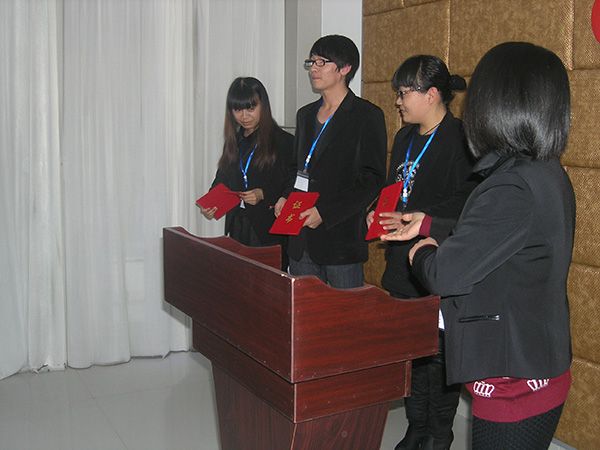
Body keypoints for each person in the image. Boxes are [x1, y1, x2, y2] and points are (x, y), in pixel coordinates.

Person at [385, 42, 575, 449]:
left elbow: (444, 273)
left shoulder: (511, 184)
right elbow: (499, 233)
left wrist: (421, 250)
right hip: (537, 360)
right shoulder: (542, 170)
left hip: (514, 380)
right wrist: (430, 222)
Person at [367, 55, 475, 450]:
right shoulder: (404, 137)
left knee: (440, 357)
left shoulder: (462, 139)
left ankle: (439, 433)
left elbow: (467, 203)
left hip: (438, 262)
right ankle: (416, 427)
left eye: (403, 93)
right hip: (401, 265)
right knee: (411, 354)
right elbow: (395, 190)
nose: (398, 101)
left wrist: (419, 217)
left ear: (431, 94)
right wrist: (377, 212)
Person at [274, 34, 387, 288]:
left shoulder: (366, 115)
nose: (313, 69)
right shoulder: (305, 115)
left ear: (345, 68)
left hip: (340, 242)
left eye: (321, 62)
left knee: (343, 313)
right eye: (311, 62)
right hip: (300, 238)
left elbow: (372, 180)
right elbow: (296, 168)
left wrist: (325, 213)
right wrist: (285, 196)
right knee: (306, 312)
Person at [200, 77, 293, 269]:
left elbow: (291, 183)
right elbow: (223, 176)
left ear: (263, 106)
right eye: (238, 110)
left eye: (251, 108)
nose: (244, 116)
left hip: (268, 229)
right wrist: (211, 202)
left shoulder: (283, 140)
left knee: (267, 284)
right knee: (239, 282)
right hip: (238, 226)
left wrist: (263, 194)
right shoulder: (235, 140)